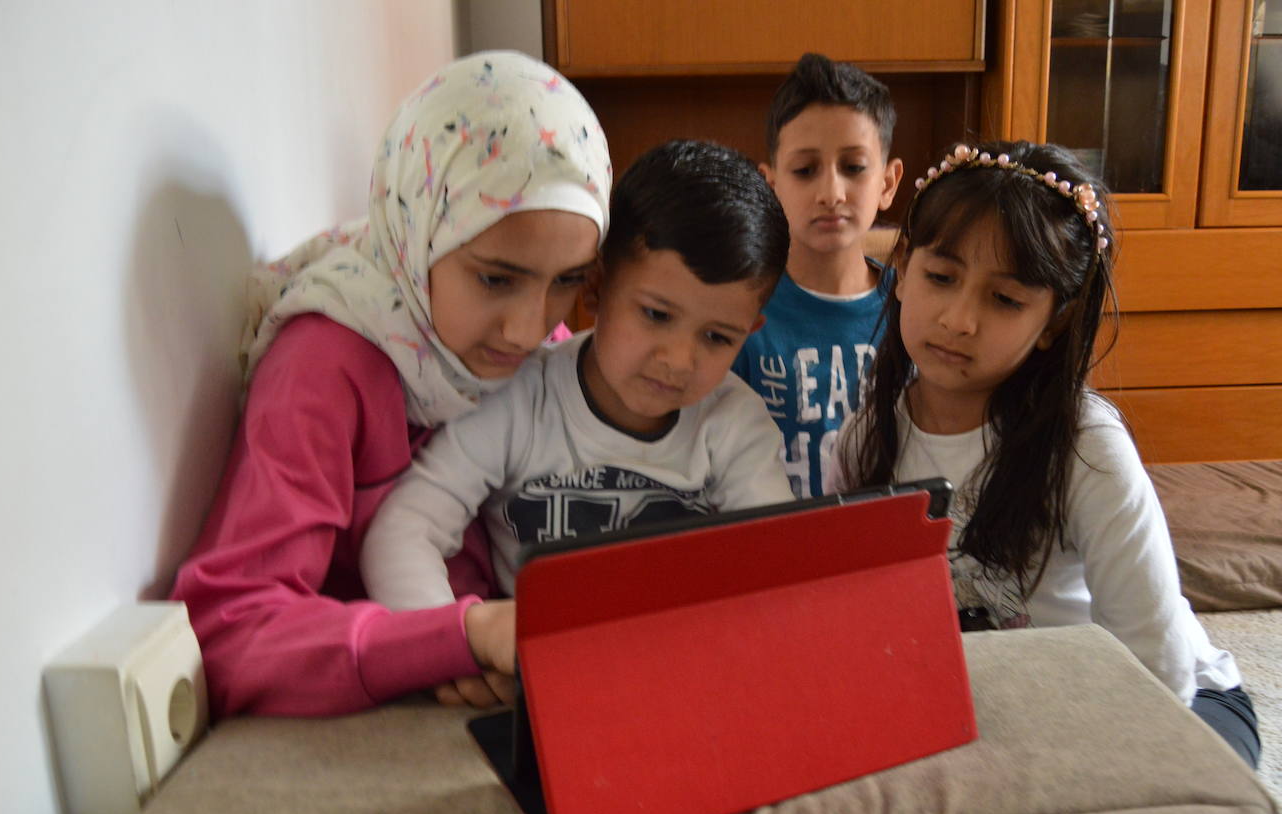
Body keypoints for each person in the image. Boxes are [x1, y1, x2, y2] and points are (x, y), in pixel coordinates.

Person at [170, 51, 613, 718]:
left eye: (568, 281)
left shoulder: (544, 351)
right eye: (496, 278)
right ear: (417, 233)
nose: (530, 329)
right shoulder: (323, 367)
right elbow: (229, 629)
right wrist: (455, 638)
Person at [826, 140, 1260, 769]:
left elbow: (1159, 667)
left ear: (1055, 321)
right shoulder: (865, 438)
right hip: (987, 700)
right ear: (902, 268)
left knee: (1157, 810)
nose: (959, 319)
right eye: (941, 277)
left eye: (1005, 299)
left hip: (1168, 699)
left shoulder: (1086, 446)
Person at [361, 140, 794, 613]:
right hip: (536, 653)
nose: (678, 359)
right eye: (656, 314)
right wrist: (458, 640)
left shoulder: (735, 422)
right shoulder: (517, 399)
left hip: (686, 647)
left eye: (716, 337)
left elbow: (778, 565)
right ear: (596, 285)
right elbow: (405, 530)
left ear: (749, 331)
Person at [733, 52, 905, 498]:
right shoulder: (738, 314)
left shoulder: (913, 308)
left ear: (888, 183)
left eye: (854, 167)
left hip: (885, 534)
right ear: (771, 185)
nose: (831, 193)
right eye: (805, 170)